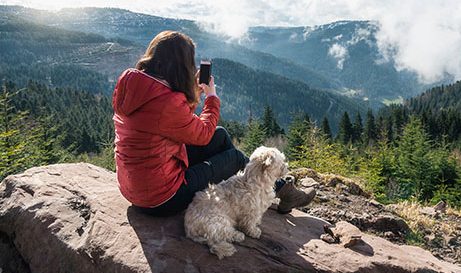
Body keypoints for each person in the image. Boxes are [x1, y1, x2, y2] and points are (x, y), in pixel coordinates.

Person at [112, 30, 315, 217]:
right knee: (234, 157)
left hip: (136, 188)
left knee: (220, 135)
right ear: (180, 64)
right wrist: (211, 98)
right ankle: (278, 190)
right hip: (163, 198)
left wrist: (192, 98)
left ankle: (262, 190)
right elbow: (201, 134)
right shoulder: (168, 102)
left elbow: (169, 124)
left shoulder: (137, 87)